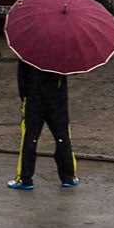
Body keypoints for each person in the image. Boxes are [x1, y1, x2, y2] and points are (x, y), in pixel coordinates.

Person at [8, 58, 78, 190]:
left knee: (29, 138)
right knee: (62, 137)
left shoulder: (27, 52)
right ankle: (68, 177)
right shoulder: (62, 53)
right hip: (58, 101)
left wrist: (25, 98)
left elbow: (22, 79)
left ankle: (25, 178)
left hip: (34, 100)